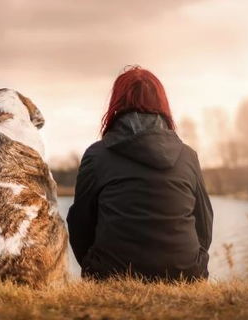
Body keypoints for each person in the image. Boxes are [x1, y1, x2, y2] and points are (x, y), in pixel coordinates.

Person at [67, 66, 213, 281]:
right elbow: (204, 223)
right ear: (162, 104)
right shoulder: (187, 156)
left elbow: (80, 223)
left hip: (111, 274)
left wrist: (93, 266)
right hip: (185, 274)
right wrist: (193, 264)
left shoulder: (97, 156)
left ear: (116, 104)